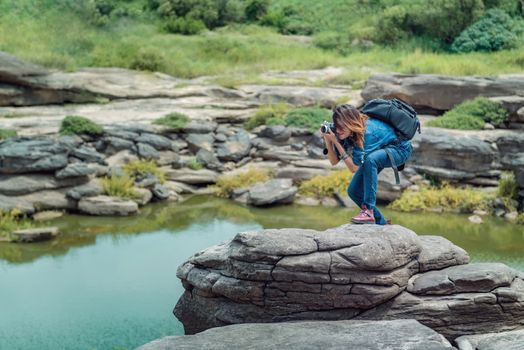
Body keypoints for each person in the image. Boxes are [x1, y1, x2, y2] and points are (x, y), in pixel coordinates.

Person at [322, 104, 413, 225]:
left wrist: (336, 143)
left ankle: (369, 212)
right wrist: (328, 140)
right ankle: (382, 223)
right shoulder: (346, 132)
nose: (337, 130)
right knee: (354, 191)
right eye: (336, 126)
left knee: (371, 160)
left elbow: (354, 168)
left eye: (341, 127)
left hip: (400, 150)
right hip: (381, 149)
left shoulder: (368, 133)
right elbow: (334, 162)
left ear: (350, 123)